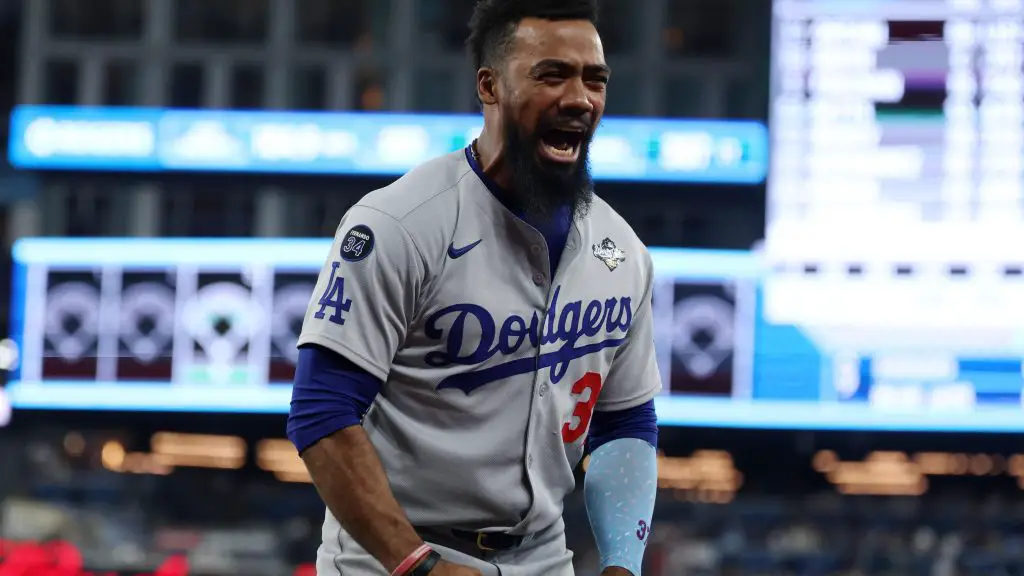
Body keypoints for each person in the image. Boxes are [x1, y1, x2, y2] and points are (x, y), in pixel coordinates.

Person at [287, 0, 660, 574]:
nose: (580, 98)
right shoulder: (401, 224)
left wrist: (621, 564)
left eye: (594, 79)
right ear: (489, 86)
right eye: (551, 74)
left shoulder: (623, 253)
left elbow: (624, 422)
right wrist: (417, 564)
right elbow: (322, 412)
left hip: (541, 555)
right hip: (391, 554)